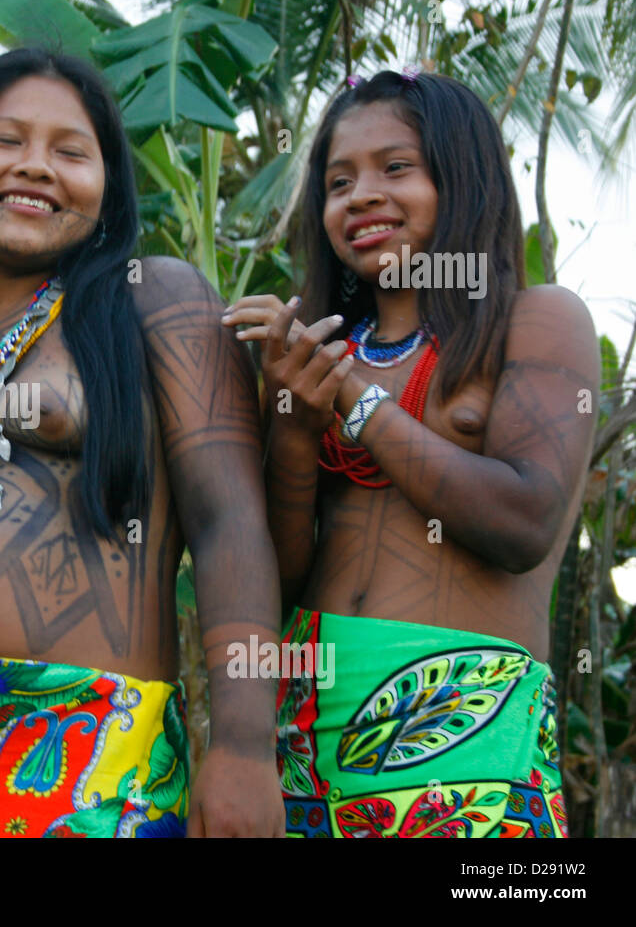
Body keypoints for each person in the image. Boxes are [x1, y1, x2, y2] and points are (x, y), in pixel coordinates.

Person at [0, 48, 284, 838]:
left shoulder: (154, 305)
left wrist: (242, 741)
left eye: (71, 152)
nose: (37, 168)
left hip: (82, 743)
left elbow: (229, 522)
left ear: (107, 189)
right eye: (4, 141)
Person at [222, 70, 598, 837]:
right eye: (337, 181)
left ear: (464, 180)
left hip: (465, 732)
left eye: (396, 168)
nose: (360, 195)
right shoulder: (317, 358)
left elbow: (522, 521)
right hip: (309, 733)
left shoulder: (537, 322)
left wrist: (356, 399)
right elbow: (286, 573)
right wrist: (294, 430)